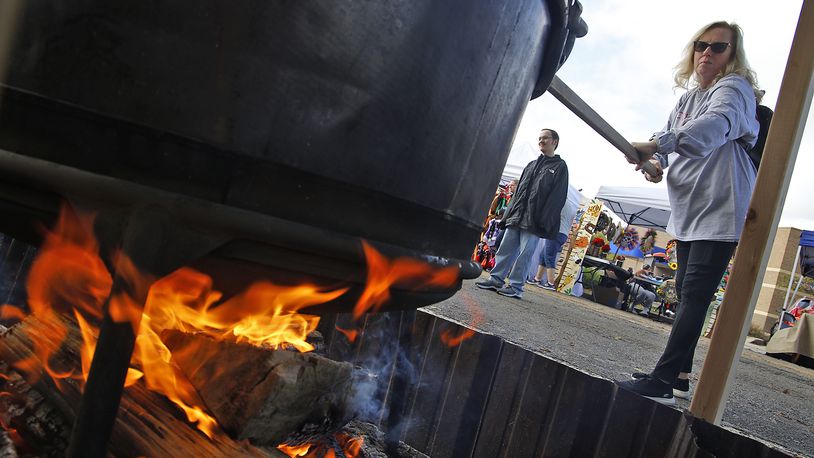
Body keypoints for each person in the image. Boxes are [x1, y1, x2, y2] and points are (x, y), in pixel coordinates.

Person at [616, 21, 761, 405]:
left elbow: (711, 129)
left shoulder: (734, 89)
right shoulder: (689, 97)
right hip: (691, 207)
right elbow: (670, 136)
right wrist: (655, 159)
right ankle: (679, 375)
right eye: (701, 45)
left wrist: (656, 145)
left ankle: (662, 381)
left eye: (718, 47)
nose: (707, 53)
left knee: (695, 294)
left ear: (733, 55)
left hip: (721, 205)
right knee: (685, 294)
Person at [475, 129, 569, 299]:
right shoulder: (531, 164)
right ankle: (496, 279)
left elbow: (557, 198)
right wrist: (508, 216)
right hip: (517, 216)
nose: (541, 141)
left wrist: (544, 220)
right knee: (505, 249)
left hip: (535, 220)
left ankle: (516, 287)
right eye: (539, 138)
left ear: (555, 141)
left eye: (545, 138)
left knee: (525, 254)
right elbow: (518, 193)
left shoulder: (560, 167)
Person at [529, 184, 581, 289]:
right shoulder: (570, 205)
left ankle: (551, 283)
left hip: (556, 233)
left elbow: (551, 217)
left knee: (549, 257)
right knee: (543, 256)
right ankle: (537, 279)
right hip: (562, 233)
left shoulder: (560, 203)